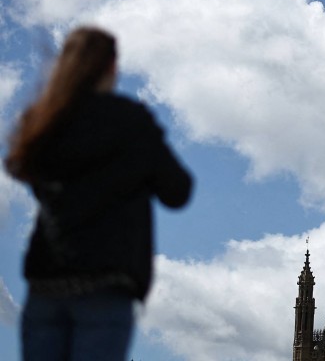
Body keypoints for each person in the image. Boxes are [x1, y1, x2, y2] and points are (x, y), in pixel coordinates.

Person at [4, 27, 193, 361]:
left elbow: (26, 171)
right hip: (104, 287)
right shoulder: (132, 122)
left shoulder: (46, 119)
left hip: (46, 286)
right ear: (111, 67)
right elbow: (177, 191)